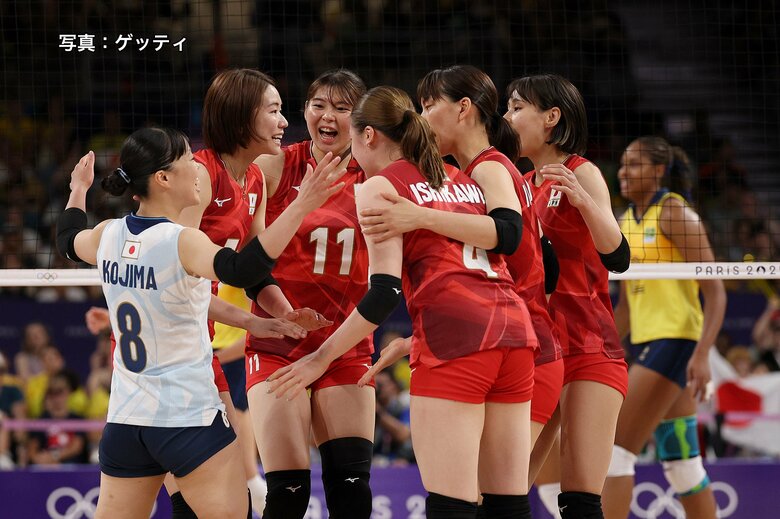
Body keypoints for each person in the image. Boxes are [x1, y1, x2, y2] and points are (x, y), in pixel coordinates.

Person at [267, 86, 538, 519]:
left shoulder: (380, 186)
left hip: (454, 340)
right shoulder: (460, 178)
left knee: (452, 505)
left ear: (368, 136)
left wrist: (320, 358)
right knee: (508, 503)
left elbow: (384, 293)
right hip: (515, 333)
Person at [54, 126, 342, 518]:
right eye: (188, 160)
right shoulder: (182, 241)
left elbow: (68, 240)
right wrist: (300, 205)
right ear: (163, 178)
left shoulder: (108, 234)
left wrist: (78, 188)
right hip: (187, 418)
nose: (197, 168)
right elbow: (243, 269)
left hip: (126, 423)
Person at [357, 66, 563, 482]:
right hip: (524, 343)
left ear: (463, 108)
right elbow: (546, 267)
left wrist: (419, 215)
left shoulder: (488, 168)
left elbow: (507, 235)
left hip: (522, 348)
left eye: (429, 105)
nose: (421, 117)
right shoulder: (471, 180)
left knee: (482, 497)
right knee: (502, 498)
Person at [167, 68, 341, 518]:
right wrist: (254, 323)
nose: (284, 122)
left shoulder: (254, 181)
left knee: (228, 496)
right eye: (274, 111)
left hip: (196, 342)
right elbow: (170, 283)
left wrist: (285, 314)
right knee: (204, 495)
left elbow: (254, 272)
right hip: (164, 347)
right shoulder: (200, 175)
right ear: (242, 116)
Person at [247, 69, 374, 519]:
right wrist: (285, 314)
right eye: (319, 105)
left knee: (352, 491)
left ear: (361, 119)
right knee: (288, 495)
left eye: (342, 108)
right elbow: (250, 267)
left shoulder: (377, 176)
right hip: (279, 343)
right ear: (305, 110)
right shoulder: (274, 167)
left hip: (346, 345)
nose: (328, 116)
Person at [505, 74, 630, 518]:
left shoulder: (582, 172)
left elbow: (618, 257)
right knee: (503, 490)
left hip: (588, 346)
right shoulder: (518, 183)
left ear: (551, 117)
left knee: (578, 499)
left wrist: (584, 201)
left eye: (517, 107)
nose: (507, 117)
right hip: (537, 349)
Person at [601, 137, 726, 519]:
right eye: (623, 164)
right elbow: (627, 305)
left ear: (658, 170)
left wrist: (702, 355)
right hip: (647, 343)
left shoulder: (674, 213)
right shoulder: (624, 221)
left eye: (635, 164)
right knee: (682, 463)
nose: (624, 172)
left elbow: (716, 292)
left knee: (614, 452)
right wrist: (601, 345)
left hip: (675, 340)